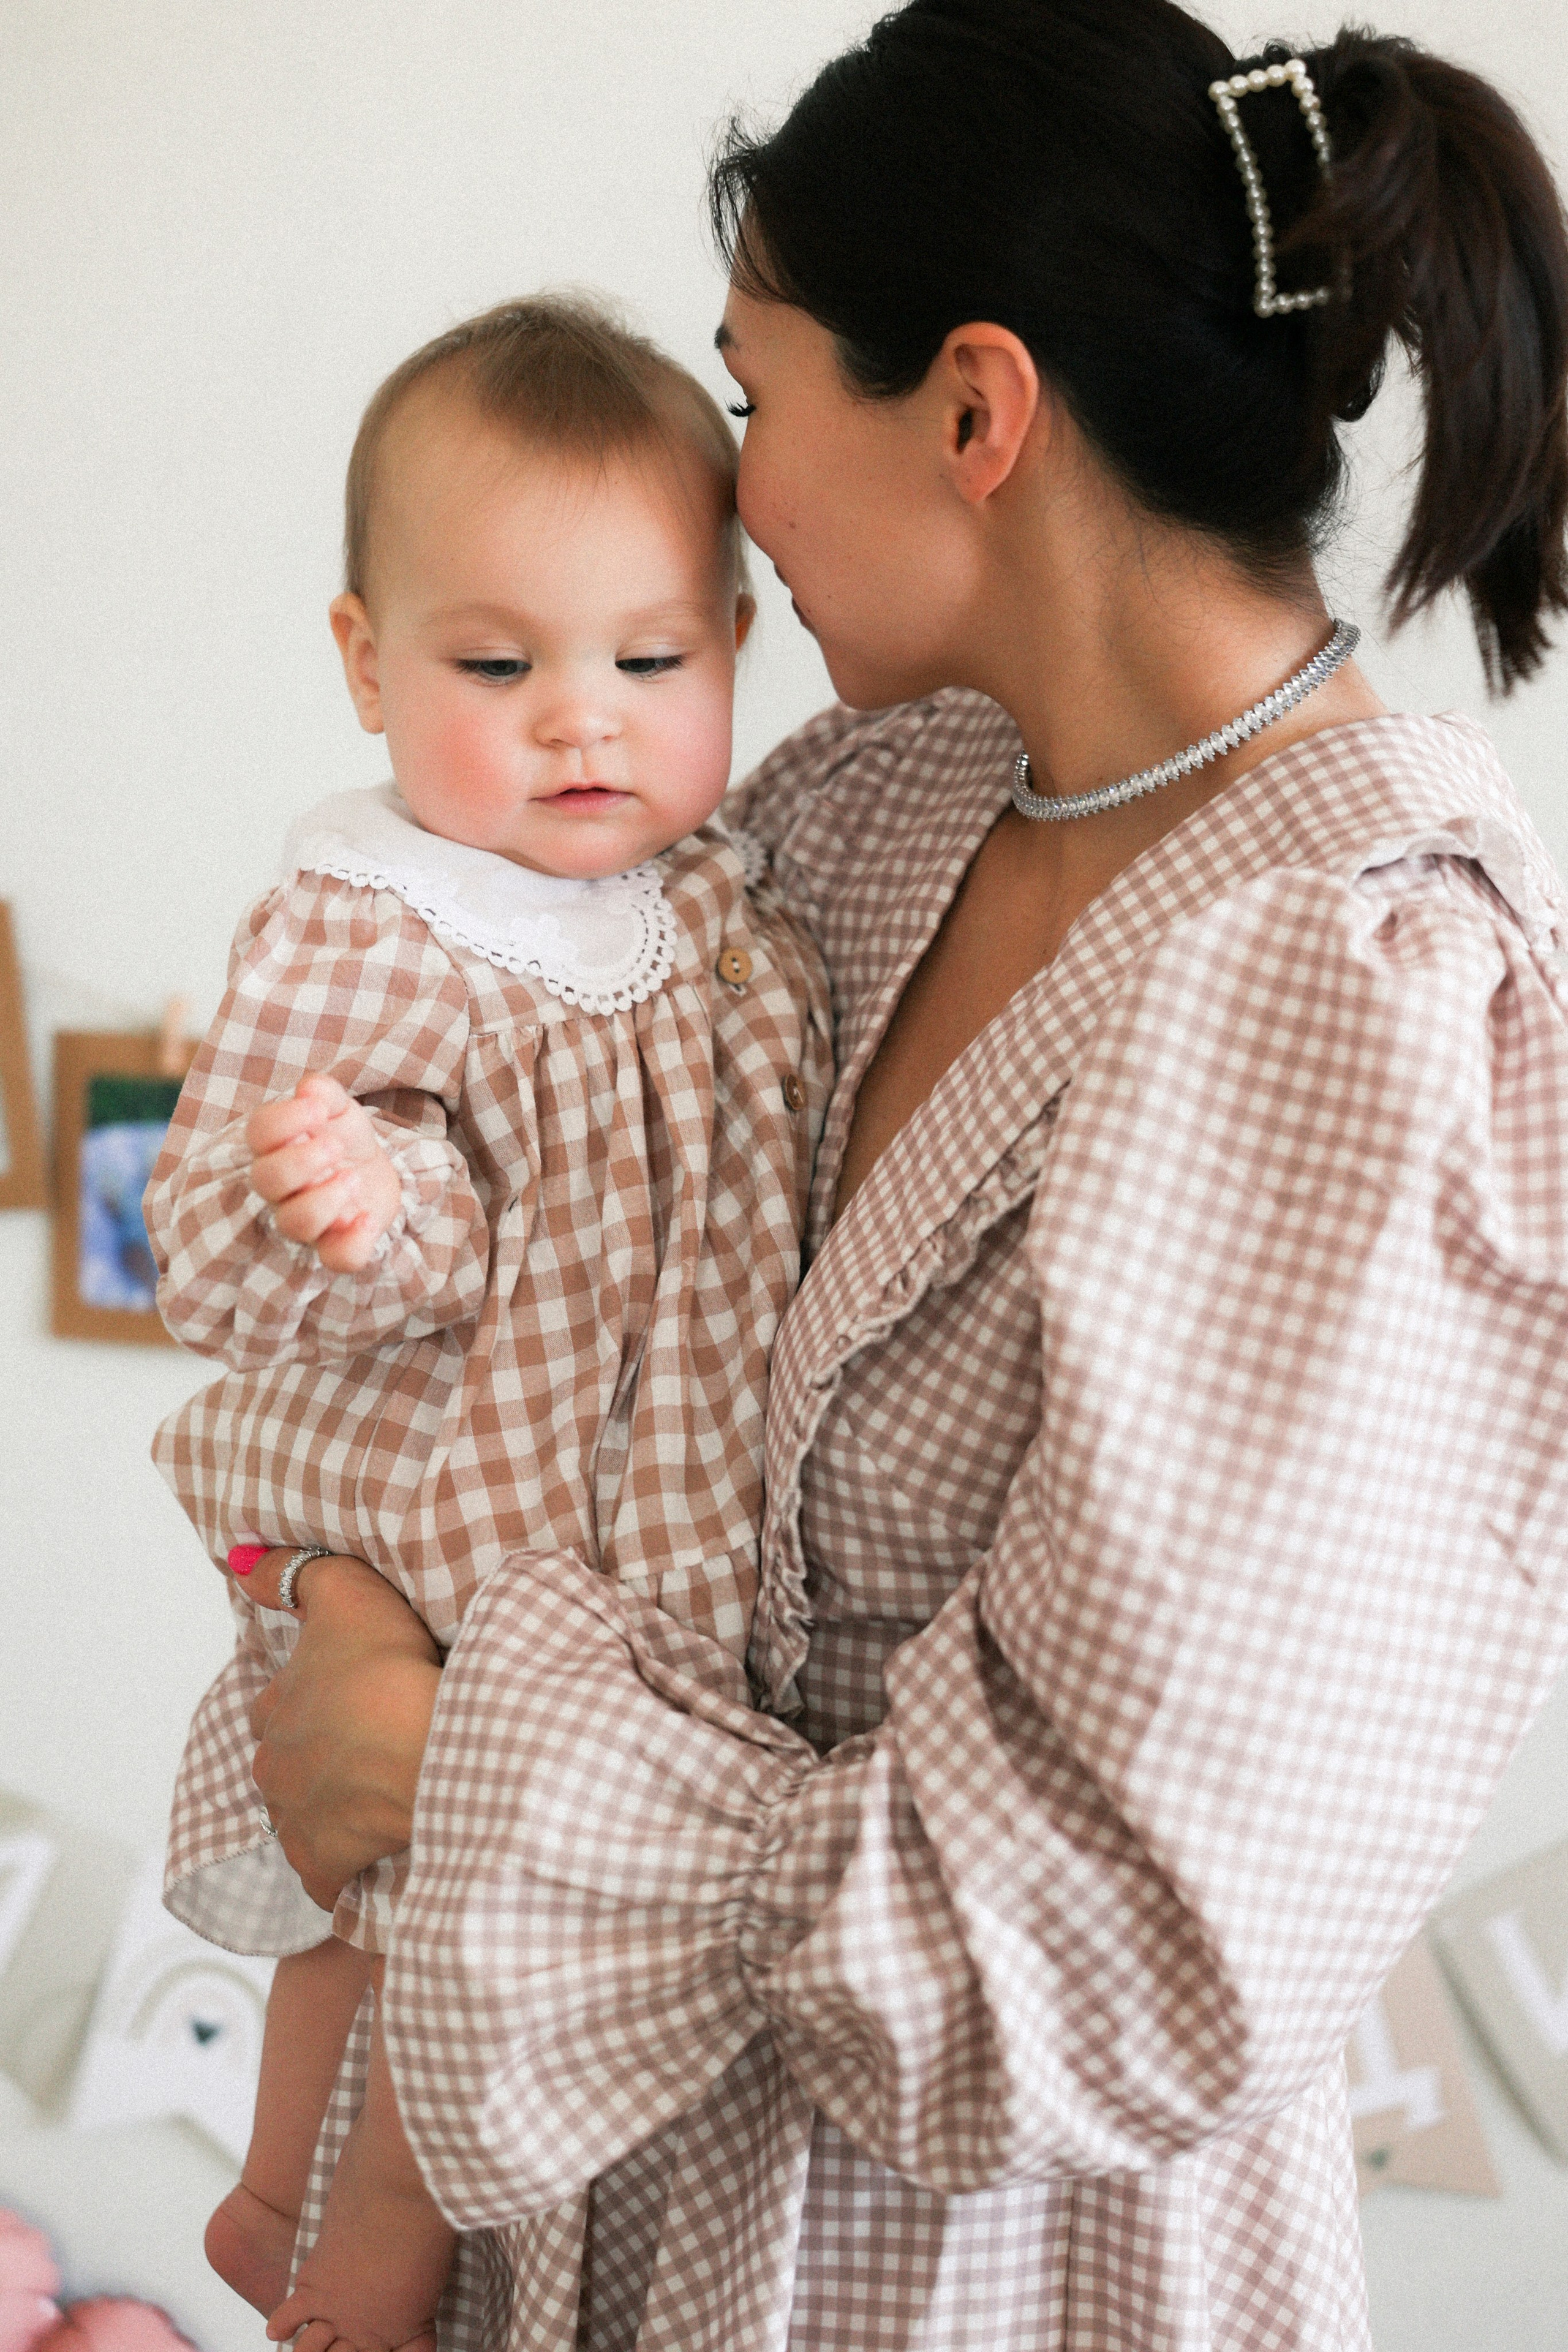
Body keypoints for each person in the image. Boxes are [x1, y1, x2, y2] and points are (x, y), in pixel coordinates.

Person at [228, 5, 1568, 2347]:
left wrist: (466, 1760)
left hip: (980, 2280)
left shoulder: (1352, 990)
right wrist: (338, 1580)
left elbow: (1108, 1958)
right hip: (588, 2207)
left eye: (752, 399)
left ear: (972, 412)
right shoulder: (862, 818)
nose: (730, 498)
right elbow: (531, 1298)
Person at [145, 295, 830, 2352]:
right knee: (406, 1895)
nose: (581, 723)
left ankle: (275, 2203)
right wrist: (359, 1200)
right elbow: (238, 1233)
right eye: (497, 666)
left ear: (735, 642)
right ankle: (336, 2238)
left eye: (652, 662)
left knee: (427, 1898)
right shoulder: (380, 923)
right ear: (367, 663)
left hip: (636, 1516)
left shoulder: (720, 901)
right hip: (466, 1508)